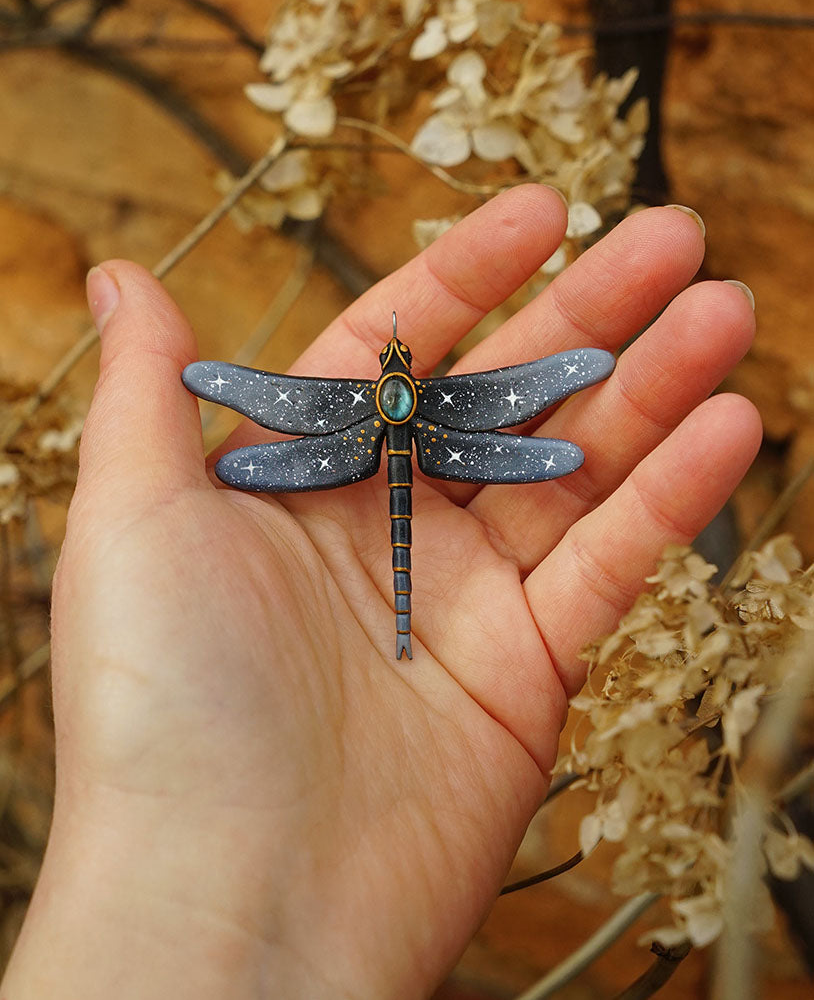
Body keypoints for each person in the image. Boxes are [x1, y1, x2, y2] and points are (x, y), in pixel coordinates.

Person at [2, 187, 760, 998]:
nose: (397, 375)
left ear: (387, 380)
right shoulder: (436, 404)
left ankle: (402, 625)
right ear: (408, 378)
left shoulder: (356, 409)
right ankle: (407, 625)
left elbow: (229, 409)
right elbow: (558, 388)